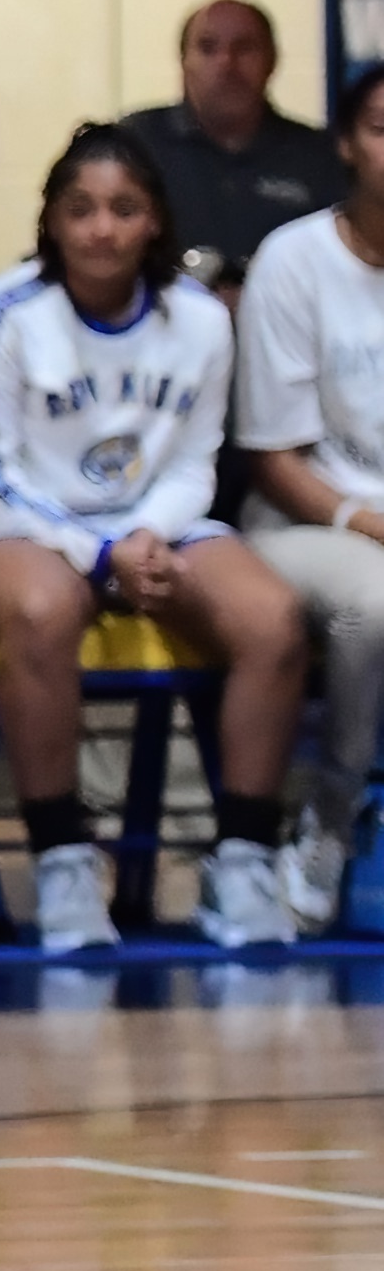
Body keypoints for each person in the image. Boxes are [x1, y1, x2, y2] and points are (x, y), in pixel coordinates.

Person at [0, 122, 304, 952]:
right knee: (42, 606)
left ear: (154, 222)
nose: (101, 228)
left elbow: (194, 462)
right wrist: (98, 553)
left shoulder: (202, 320)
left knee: (272, 619)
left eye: (123, 208)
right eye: (81, 209)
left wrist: (141, 538)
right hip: (5, 533)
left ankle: (241, 857)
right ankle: (64, 859)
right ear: (52, 223)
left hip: (154, 527)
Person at [233, 62, 384, 932]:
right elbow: (272, 457)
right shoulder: (296, 260)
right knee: (374, 605)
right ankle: (327, 813)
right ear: (346, 144)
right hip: (304, 521)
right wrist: (366, 519)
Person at [120, 0, 348, 297]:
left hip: (284, 333)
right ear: (184, 62)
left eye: (244, 48)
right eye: (208, 48)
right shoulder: (134, 144)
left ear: (272, 61)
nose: (226, 63)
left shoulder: (321, 157)